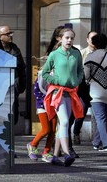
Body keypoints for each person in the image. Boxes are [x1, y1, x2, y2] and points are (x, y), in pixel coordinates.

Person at [42, 28, 84, 167]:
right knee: (65, 121)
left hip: (71, 93)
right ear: (60, 38)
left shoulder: (76, 54)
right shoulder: (54, 54)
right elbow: (45, 73)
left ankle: (55, 156)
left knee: (62, 125)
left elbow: (80, 71)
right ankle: (66, 153)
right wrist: (56, 81)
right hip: (57, 93)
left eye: (72, 38)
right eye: (67, 37)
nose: (69, 40)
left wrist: (76, 81)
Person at [26, 26, 64, 162]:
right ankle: (32, 145)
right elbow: (38, 89)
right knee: (46, 129)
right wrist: (46, 100)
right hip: (43, 101)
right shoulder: (44, 72)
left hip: (55, 100)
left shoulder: (62, 70)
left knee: (53, 129)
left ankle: (47, 152)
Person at [84, 33, 107, 152]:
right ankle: (96, 142)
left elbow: (86, 75)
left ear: (93, 43)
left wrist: (89, 81)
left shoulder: (89, 57)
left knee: (100, 118)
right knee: (103, 118)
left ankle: (106, 144)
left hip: (95, 92)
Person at [70, 31, 98, 146]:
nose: (94, 40)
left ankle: (99, 139)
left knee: (99, 114)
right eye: (92, 38)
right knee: (81, 110)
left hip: (97, 87)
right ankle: (76, 132)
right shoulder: (81, 53)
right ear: (87, 40)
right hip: (83, 87)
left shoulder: (103, 54)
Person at [0, 26, 26, 125]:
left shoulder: (14, 48)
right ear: (0, 36)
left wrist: (22, 85)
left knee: (14, 114)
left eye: (11, 33)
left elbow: (22, 67)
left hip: (13, 86)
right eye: (8, 34)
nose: (10, 36)